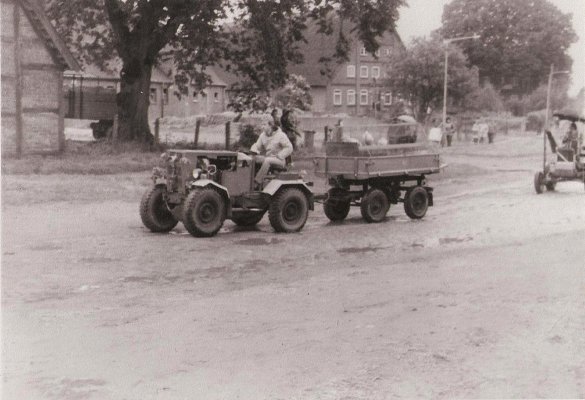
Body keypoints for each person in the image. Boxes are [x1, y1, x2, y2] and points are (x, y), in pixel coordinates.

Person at [250, 120, 293, 186]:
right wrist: (254, 149)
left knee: (267, 160)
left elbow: (289, 147)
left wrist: (280, 155)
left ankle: (256, 182)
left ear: (270, 125)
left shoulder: (281, 135)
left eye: (264, 124)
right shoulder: (262, 135)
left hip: (279, 160)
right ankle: (249, 180)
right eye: (261, 125)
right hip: (269, 158)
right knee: (253, 158)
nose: (262, 127)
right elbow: (257, 145)